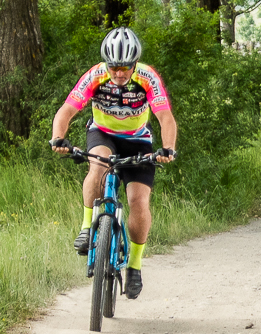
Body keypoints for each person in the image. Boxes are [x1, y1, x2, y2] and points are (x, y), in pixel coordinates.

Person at [50, 27, 177, 300]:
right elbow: (67, 110)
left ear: (135, 64)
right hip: (103, 134)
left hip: (138, 140)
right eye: (114, 67)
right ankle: (87, 229)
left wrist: (168, 148)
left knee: (139, 201)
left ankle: (134, 266)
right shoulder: (95, 76)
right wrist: (58, 138)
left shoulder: (147, 77)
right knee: (97, 166)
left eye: (125, 67)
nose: (119, 73)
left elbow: (165, 117)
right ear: (107, 64)